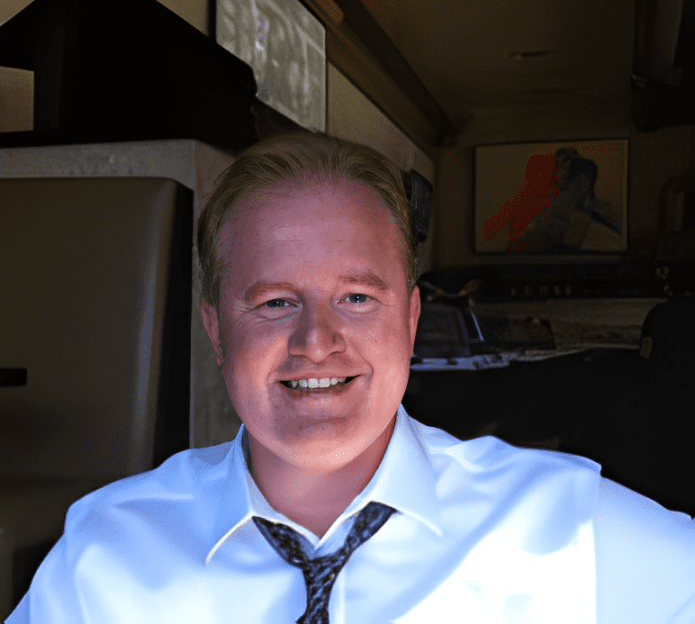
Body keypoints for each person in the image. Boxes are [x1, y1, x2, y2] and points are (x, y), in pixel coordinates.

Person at [6, 132, 695, 623]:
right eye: (275, 302)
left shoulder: (573, 532)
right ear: (217, 329)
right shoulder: (105, 552)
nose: (316, 342)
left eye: (357, 299)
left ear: (410, 318)